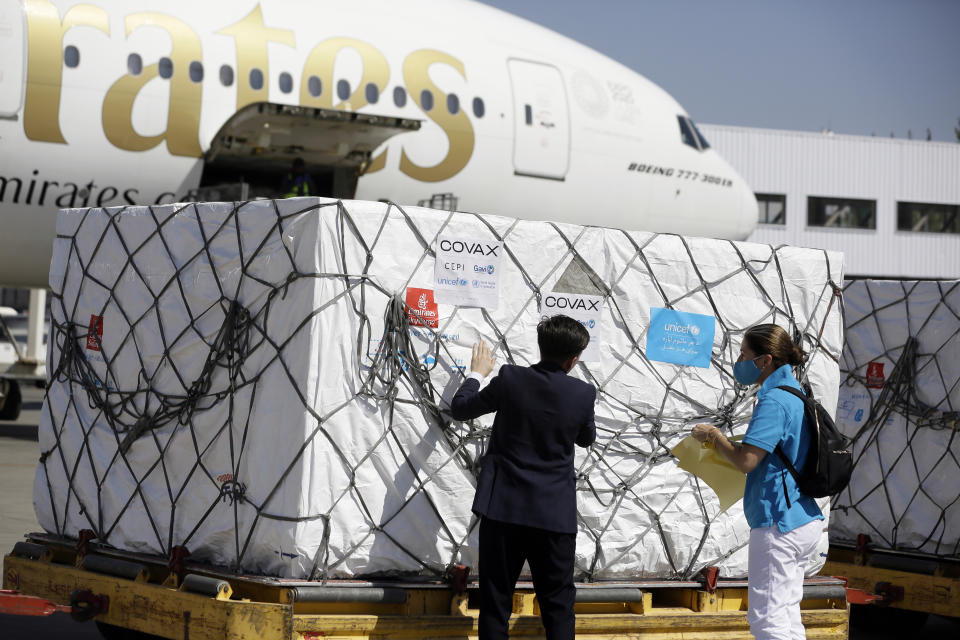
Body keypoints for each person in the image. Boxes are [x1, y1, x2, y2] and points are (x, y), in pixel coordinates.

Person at [450, 315, 597, 640]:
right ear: (573, 359)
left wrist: (476, 373)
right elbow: (587, 438)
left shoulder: (510, 379)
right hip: (554, 519)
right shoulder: (583, 395)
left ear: (541, 347)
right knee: (558, 609)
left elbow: (460, 408)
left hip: (503, 511)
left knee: (495, 604)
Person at [691, 324, 824, 640]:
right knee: (788, 617)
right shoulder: (797, 393)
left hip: (779, 521)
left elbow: (746, 461)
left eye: (744, 354)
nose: (738, 360)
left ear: (765, 361)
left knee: (766, 620)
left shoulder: (775, 400)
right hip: (802, 517)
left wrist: (715, 437)